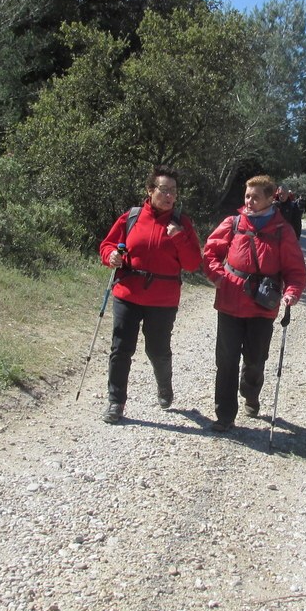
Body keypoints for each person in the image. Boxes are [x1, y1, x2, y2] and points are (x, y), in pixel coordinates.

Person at [203, 175, 306, 432]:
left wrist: (292, 292)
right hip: (229, 301)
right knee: (225, 361)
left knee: (255, 360)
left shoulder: (283, 231)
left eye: (255, 197)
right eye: (247, 196)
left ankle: (250, 393)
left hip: (262, 306)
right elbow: (211, 251)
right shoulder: (234, 223)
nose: (249, 201)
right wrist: (217, 275)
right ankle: (225, 416)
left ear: (270, 198)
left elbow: (295, 270)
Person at [99, 166, 202, 424]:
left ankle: (164, 387)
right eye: (164, 190)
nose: (169, 196)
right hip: (128, 293)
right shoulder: (131, 217)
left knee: (157, 350)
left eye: (173, 192)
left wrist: (178, 237)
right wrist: (110, 255)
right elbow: (108, 245)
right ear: (150, 190)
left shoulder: (181, 223)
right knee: (121, 348)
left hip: (163, 300)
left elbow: (191, 264)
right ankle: (116, 402)